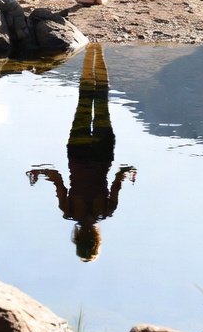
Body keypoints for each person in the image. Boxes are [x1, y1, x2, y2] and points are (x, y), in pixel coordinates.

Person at [27, 42, 136, 262]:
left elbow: (118, 178)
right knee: (85, 98)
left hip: (103, 152)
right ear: (77, 240)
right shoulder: (68, 211)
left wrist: (129, 172)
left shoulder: (107, 210)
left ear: (97, 239)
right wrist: (39, 172)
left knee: (102, 100)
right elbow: (57, 178)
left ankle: (98, 50)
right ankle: (91, 51)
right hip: (77, 152)